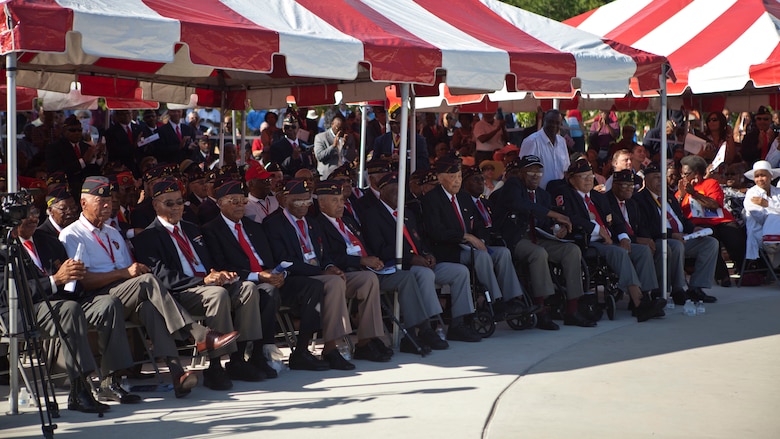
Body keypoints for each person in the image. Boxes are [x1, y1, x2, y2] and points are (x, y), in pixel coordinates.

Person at [59, 176, 238, 397]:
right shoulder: (72, 234)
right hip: (96, 297)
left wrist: (129, 273)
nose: (107, 206)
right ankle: (197, 334)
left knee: (150, 307)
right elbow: (82, 281)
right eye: (100, 202)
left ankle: (177, 374)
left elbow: (129, 272)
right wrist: (124, 274)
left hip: (124, 294)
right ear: (84, 203)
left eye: (109, 202)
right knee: (148, 281)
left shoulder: (113, 233)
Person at [134, 178, 272, 390]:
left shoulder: (192, 228)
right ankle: (215, 366)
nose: (176, 207)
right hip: (181, 293)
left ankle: (239, 360)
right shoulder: (148, 237)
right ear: (155, 205)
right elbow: (162, 277)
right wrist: (203, 281)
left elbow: (211, 261)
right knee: (217, 295)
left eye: (179, 202)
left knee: (248, 289)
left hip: (208, 284)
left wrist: (220, 273)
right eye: (169, 203)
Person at [2, 207, 140, 412]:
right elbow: (7, 294)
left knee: (108, 304)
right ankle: (79, 389)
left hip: (63, 303)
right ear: (10, 218)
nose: (32, 218)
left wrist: (77, 276)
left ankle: (110, 381)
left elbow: (68, 283)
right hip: (22, 311)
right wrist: (54, 280)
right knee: (69, 309)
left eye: (35, 213)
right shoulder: (4, 246)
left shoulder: (47, 240)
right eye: (25, 215)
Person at [201, 179, 328, 372]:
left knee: (313, 286)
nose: (240, 206)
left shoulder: (253, 226)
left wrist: (279, 273)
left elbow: (271, 259)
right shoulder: (211, 230)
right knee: (267, 291)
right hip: (240, 283)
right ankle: (257, 354)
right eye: (233, 201)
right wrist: (259, 276)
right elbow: (220, 266)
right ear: (220, 203)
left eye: (242, 201)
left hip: (267, 279)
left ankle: (302, 351)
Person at [264, 179, 382, 370]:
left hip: (323, 274)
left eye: (306, 201)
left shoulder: (312, 223)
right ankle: (330, 348)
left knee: (367, 278)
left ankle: (367, 341)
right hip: (296, 279)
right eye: (298, 201)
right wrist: (322, 270)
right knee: (334, 283)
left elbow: (324, 254)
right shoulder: (274, 224)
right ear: (285, 200)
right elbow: (284, 259)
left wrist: (330, 266)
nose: (304, 206)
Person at [548, 160, 666, 322]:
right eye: (583, 177)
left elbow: (615, 220)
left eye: (590, 176)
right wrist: (598, 231)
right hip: (588, 241)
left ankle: (646, 295)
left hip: (610, 240)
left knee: (642, 250)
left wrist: (624, 238)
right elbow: (571, 218)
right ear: (571, 179)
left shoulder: (598, 196)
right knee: (618, 252)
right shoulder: (566, 195)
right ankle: (640, 304)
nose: (589, 180)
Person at [422, 157, 530, 320]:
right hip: (449, 250)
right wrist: (466, 237)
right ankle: (496, 301)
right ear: (440, 178)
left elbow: (478, 223)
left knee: (503, 253)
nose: (457, 181)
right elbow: (435, 231)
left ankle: (514, 299)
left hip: (470, 246)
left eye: (459, 176)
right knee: (482, 256)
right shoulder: (432, 199)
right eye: (452, 177)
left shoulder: (463, 197)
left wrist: (482, 239)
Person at [490, 156, 588, 329]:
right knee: (538, 253)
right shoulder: (513, 186)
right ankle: (542, 310)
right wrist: (554, 214)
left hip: (540, 237)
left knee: (572, 250)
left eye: (538, 172)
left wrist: (558, 227)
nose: (535, 175)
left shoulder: (543, 195)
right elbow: (522, 204)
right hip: (516, 239)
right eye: (530, 171)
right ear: (520, 173)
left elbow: (548, 222)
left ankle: (573, 309)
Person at [635, 163, 719, 304]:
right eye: (655, 177)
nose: (660, 180)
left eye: (662, 177)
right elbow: (646, 226)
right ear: (646, 181)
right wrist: (670, 234)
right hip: (661, 239)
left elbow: (681, 218)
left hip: (683, 236)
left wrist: (693, 229)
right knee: (675, 246)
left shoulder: (668, 196)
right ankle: (676, 289)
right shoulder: (639, 199)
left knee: (710, 243)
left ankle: (696, 288)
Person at [677, 155, 746, 287]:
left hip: (721, 221)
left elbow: (714, 204)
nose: (683, 176)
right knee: (709, 239)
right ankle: (722, 276)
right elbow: (677, 211)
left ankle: (745, 271)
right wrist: (681, 195)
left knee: (734, 239)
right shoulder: (682, 188)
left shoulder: (710, 183)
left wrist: (694, 194)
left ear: (696, 173)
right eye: (682, 173)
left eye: (686, 174)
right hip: (699, 224)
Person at [46, 115, 104, 197]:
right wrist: (82, 162)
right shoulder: (54, 148)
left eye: (79, 130)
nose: (77, 133)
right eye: (72, 130)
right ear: (64, 131)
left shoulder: (86, 147)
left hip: (86, 189)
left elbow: (93, 170)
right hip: (67, 189)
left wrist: (98, 157)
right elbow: (56, 171)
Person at [519, 109, 570, 190]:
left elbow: (566, 168)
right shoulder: (532, 141)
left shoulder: (562, 142)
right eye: (550, 122)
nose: (554, 125)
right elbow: (524, 171)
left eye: (557, 123)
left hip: (560, 192)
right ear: (544, 121)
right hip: (540, 194)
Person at [743, 160, 780, 268]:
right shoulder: (752, 193)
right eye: (757, 176)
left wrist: (768, 205)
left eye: (763, 175)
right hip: (760, 233)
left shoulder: (778, 192)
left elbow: (770, 215)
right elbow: (762, 218)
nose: (760, 179)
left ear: (770, 176)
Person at [371, 107, 429, 171]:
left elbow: (424, 164)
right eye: (392, 123)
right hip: (388, 178)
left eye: (397, 123)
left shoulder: (417, 140)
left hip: (408, 178)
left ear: (405, 121)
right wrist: (384, 160)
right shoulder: (380, 141)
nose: (394, 126)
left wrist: (403, 161)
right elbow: (374, 164)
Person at [313, 114, 356, 180]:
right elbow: (319, 156)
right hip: (328, 176)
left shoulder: (349, 137)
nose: (340, 131)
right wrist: (333, 146)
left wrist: (345, 147)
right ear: (332, 124)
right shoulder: (321, 137)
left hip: (345, 175)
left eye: (343, 128)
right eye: (338, 127)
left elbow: (352, 157)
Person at [105, 110, 143, 178]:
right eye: (123, 114)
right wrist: (134, 145)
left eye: (128, 113)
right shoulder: (111, 132)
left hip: (139, 166)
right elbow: (114, 150)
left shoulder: (138, 128)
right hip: (122, 167)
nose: (126, 116)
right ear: (117, 116)